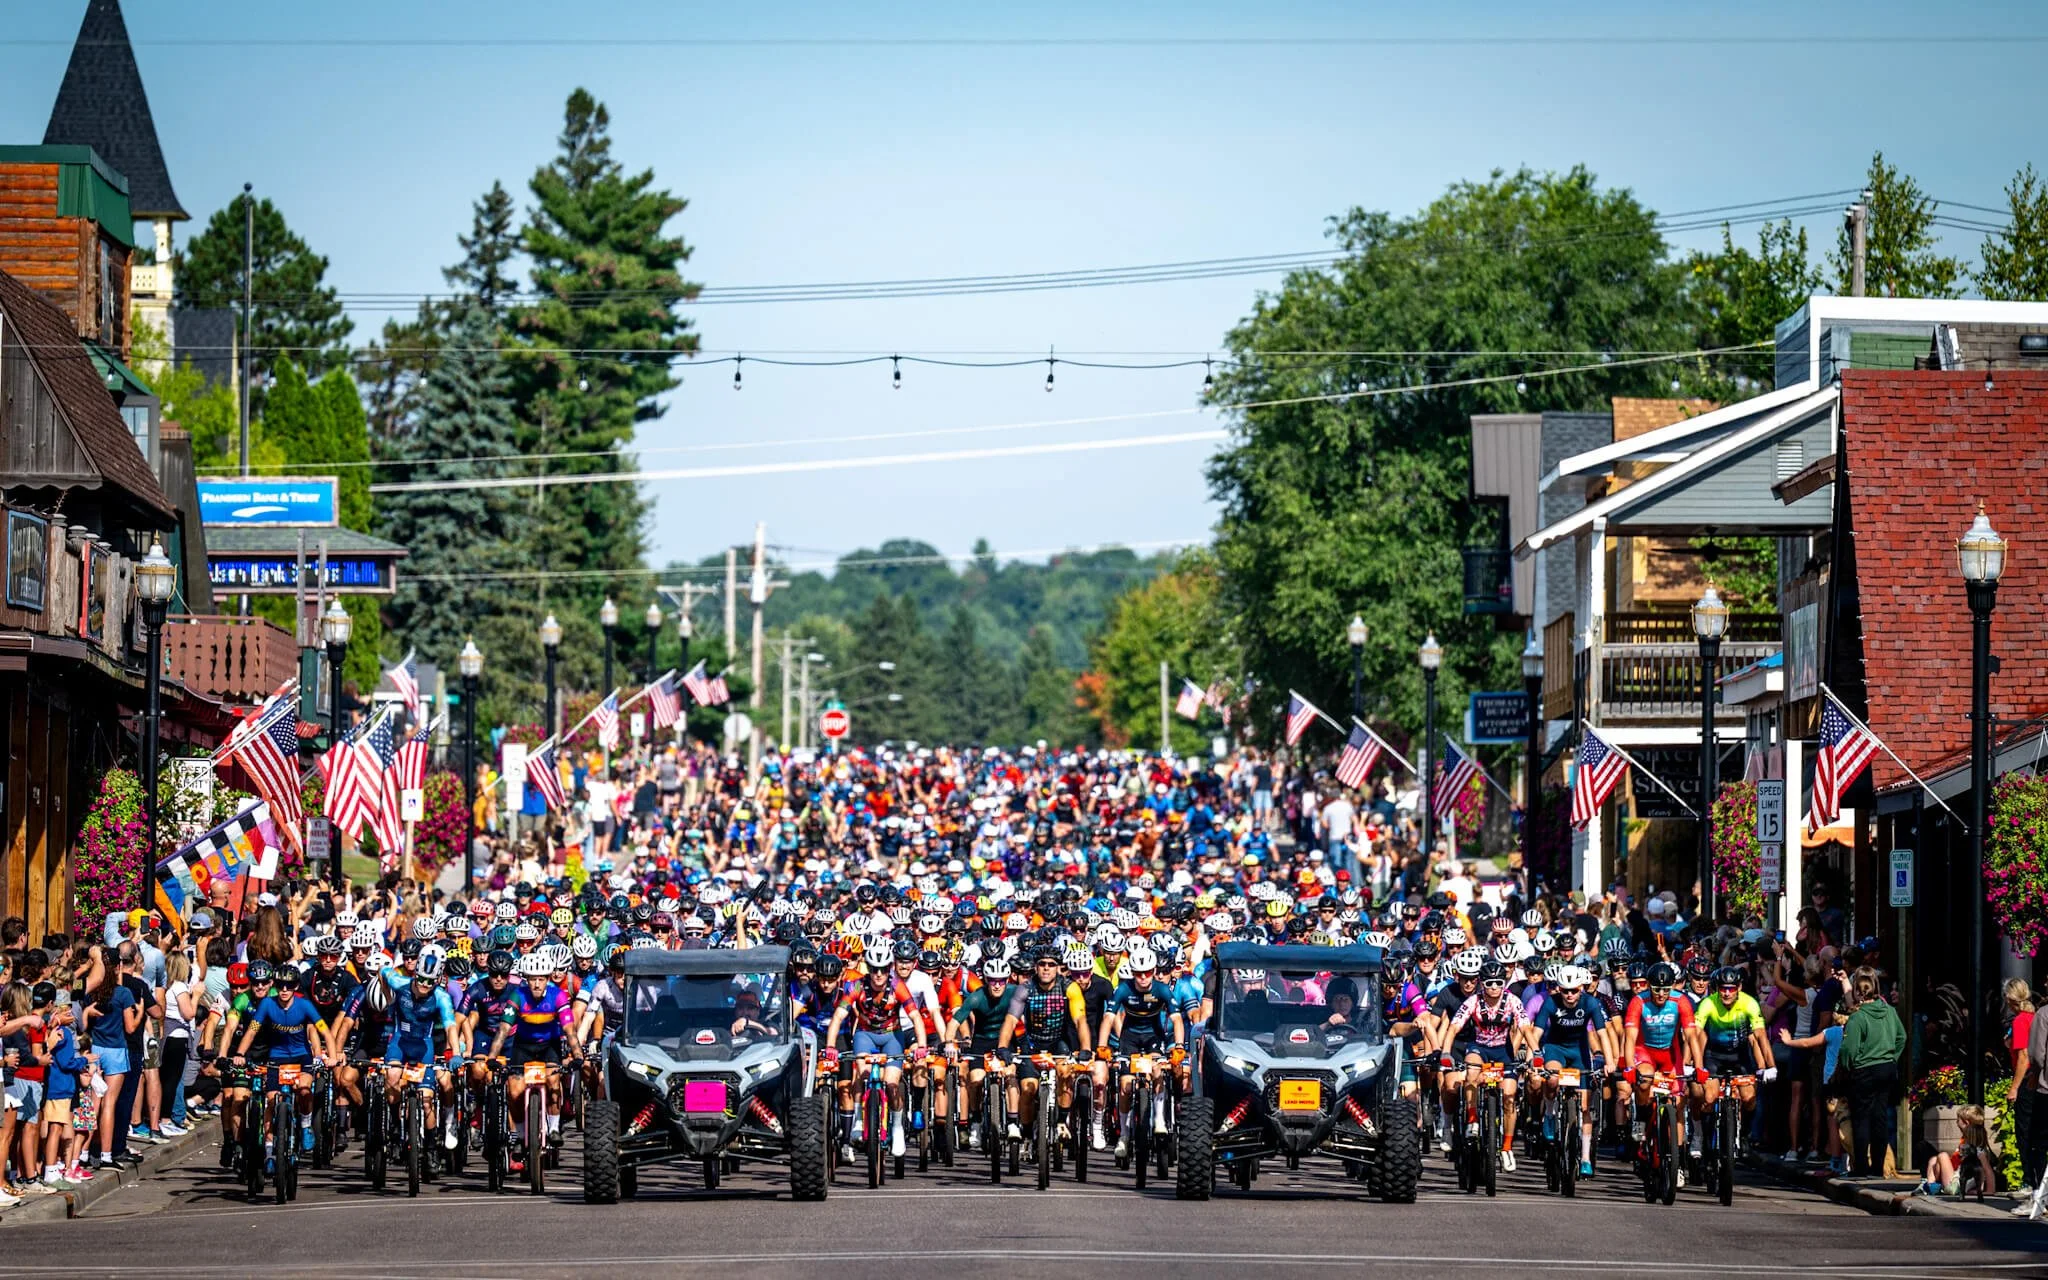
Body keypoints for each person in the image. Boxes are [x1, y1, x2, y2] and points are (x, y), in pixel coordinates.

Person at [1839, 968, 1903, 1177]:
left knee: (1861, 1119)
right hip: (1887, 1068)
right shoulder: (1890, 1012)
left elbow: (1849, 1050)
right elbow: (1902, 1037)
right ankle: (1878, 1168)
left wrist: (1850, 1065)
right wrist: (1892, 1057)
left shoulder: (1857, 1018)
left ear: (1857, 992)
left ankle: (1861, 1168)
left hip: (1864, 1069)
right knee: (1880, 1118)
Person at [1921, 1103, 1993, 1198]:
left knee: (1942, 1156)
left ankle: (1930, 1185)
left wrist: (1989, 1191)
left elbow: (1988, 1171)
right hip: (1956, 1180)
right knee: (1934, 1159)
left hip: (1955, 1187)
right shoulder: (1967, 1142)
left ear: (1966, 1123)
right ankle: (1930, 1184)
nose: (1956, 1122)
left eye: (1957, 1119)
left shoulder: (1979, 1152)